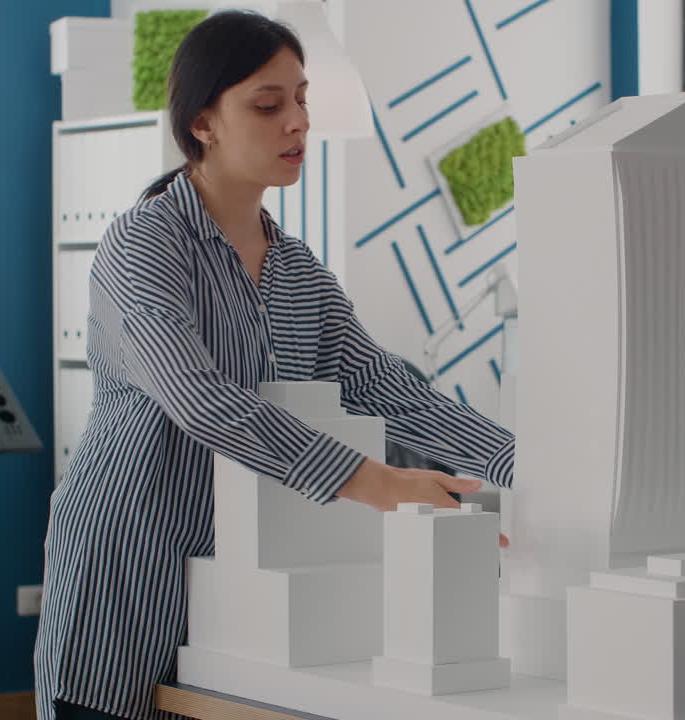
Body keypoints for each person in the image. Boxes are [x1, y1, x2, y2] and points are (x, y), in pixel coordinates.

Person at [33, 11, 515, 720]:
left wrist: (522, 468)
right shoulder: (143, 243)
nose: (298, 123)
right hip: (127, 566)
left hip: (238, 591)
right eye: (268, 104)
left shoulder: (299, 272)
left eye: (302, 99)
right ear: (203, 122)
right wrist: (378, 482)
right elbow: (200, 401)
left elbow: (395, 396)